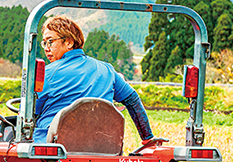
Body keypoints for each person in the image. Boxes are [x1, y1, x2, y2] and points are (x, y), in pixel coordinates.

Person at [34, 15, 154, 144]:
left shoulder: (48, 72)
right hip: (104, 146)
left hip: (54, 148)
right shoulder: (107, 70)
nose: (46, 48)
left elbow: (32, 111)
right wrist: (148, 138)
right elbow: (132, 99)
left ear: (69, 42)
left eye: (50, 41)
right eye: (44, 43)